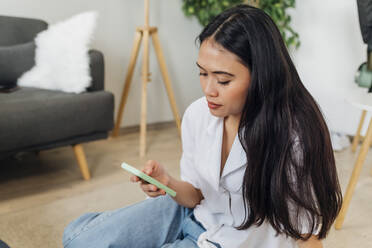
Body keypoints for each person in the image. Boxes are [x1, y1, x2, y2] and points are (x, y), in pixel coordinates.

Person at [62, 4, 342, 248]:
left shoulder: (292, 136)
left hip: (232, 241)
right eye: (202, 73)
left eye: (223, 80)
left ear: (260, 77)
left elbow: (306, 233)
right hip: (190, 214)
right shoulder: (198, 114)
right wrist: (168, 183)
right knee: (78, 240)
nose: (209, 90)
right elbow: (195, 194)